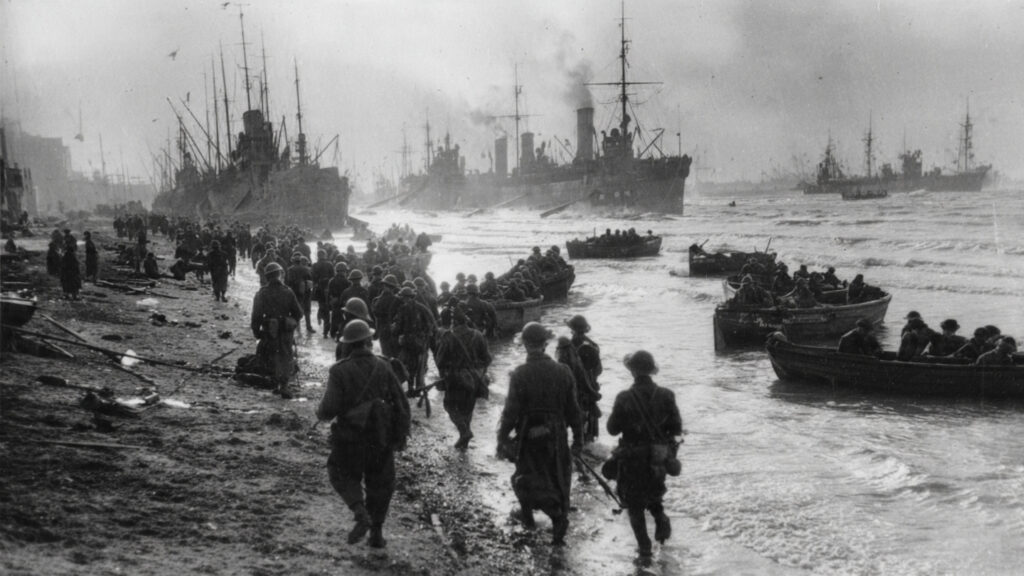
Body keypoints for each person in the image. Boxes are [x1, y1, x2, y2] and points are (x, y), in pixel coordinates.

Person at [316, 320, 411, 549]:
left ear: (348, 346)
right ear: (369, 342)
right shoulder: (385, 366)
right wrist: (400, 437)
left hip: (350, 437)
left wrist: (320, 412)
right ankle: (376, 532)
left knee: (339, 472)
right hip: (381, 437)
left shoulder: (339, 370)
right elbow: (402, 404)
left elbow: (327, 410)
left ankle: (359, 510)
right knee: (381, 482)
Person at [496, 322, 582, 545]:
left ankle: (530, 518)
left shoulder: (520, 373)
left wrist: (502, 437)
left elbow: (510, 411)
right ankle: (558, 521)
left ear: (525, 345)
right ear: (545, 344)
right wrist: (579, 441)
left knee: (525, 475)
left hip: (529, 432)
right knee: (558, 477)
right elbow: (574, 411)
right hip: (557, 433)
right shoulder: (564, 371)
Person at [606, 351, 683, 557]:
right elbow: (676, 428)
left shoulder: (624, 397)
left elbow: (612, 429)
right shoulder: (667, 395)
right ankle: (660, 517)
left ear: (632, 370)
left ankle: (644, 547)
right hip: (658, 456)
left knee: (634, 504)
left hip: (631, 457)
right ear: (651, 369)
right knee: (654, 492)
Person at [434, 309, 492, 450]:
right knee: (468, 409)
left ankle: (464, 432)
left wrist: (445, 372)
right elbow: (488, 359)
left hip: (454, 379)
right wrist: (480, 372)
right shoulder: (478, 335)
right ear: (466, 321)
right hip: (473, 378)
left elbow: (439, 361)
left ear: (454, 322)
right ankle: (464, 443)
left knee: (449, 406)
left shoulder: (448, 336)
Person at [250, 262, 304, 398]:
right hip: (285, 331)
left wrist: (257, 332)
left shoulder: (261, 293)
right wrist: (291, 323)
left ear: (267, 277)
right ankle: (284, 385)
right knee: (286, 355)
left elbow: (256, 316)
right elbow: (299, 313)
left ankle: (277, 384)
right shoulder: (288, 291)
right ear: (280, 275)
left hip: (269, 330)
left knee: (271, 355)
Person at [391, 286, 436, 392]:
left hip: (407, 342)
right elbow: (431, 324)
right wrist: (426, 336)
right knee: (421, 366)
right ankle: (420, 388)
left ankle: (410, 388)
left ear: (404, 297)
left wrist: (394, 331)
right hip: (421, 342)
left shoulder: (402, 309)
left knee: (409, 365)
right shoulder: (423, 307)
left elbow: (398, 328)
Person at [567, 315, 602, 443]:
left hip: (576, 387)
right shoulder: (593, 344)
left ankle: (579, 445)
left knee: (577, 418)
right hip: (591, 386)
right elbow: (599, 369)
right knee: (590, 420)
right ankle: (589, 444)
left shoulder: (570, 346)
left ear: (573, 329)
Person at [286, 255, 316, 333]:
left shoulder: (290, 270)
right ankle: (308, 327)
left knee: (297, 310)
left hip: (295, 293)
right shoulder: (306, 269)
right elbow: (310, 280)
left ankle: (297, 327)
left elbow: (288, 282)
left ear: (293, 261)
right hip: (306, 292)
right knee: (307, 310)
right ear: (300, 261)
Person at [60, 234, 82, 299]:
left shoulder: (65, 256)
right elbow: (76, 265)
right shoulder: (73, 257)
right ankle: (74, 295)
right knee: (74, 285)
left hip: (67, 273)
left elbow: (62, 265)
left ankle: (66, 295)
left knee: (66, 284)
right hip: (73, 273)